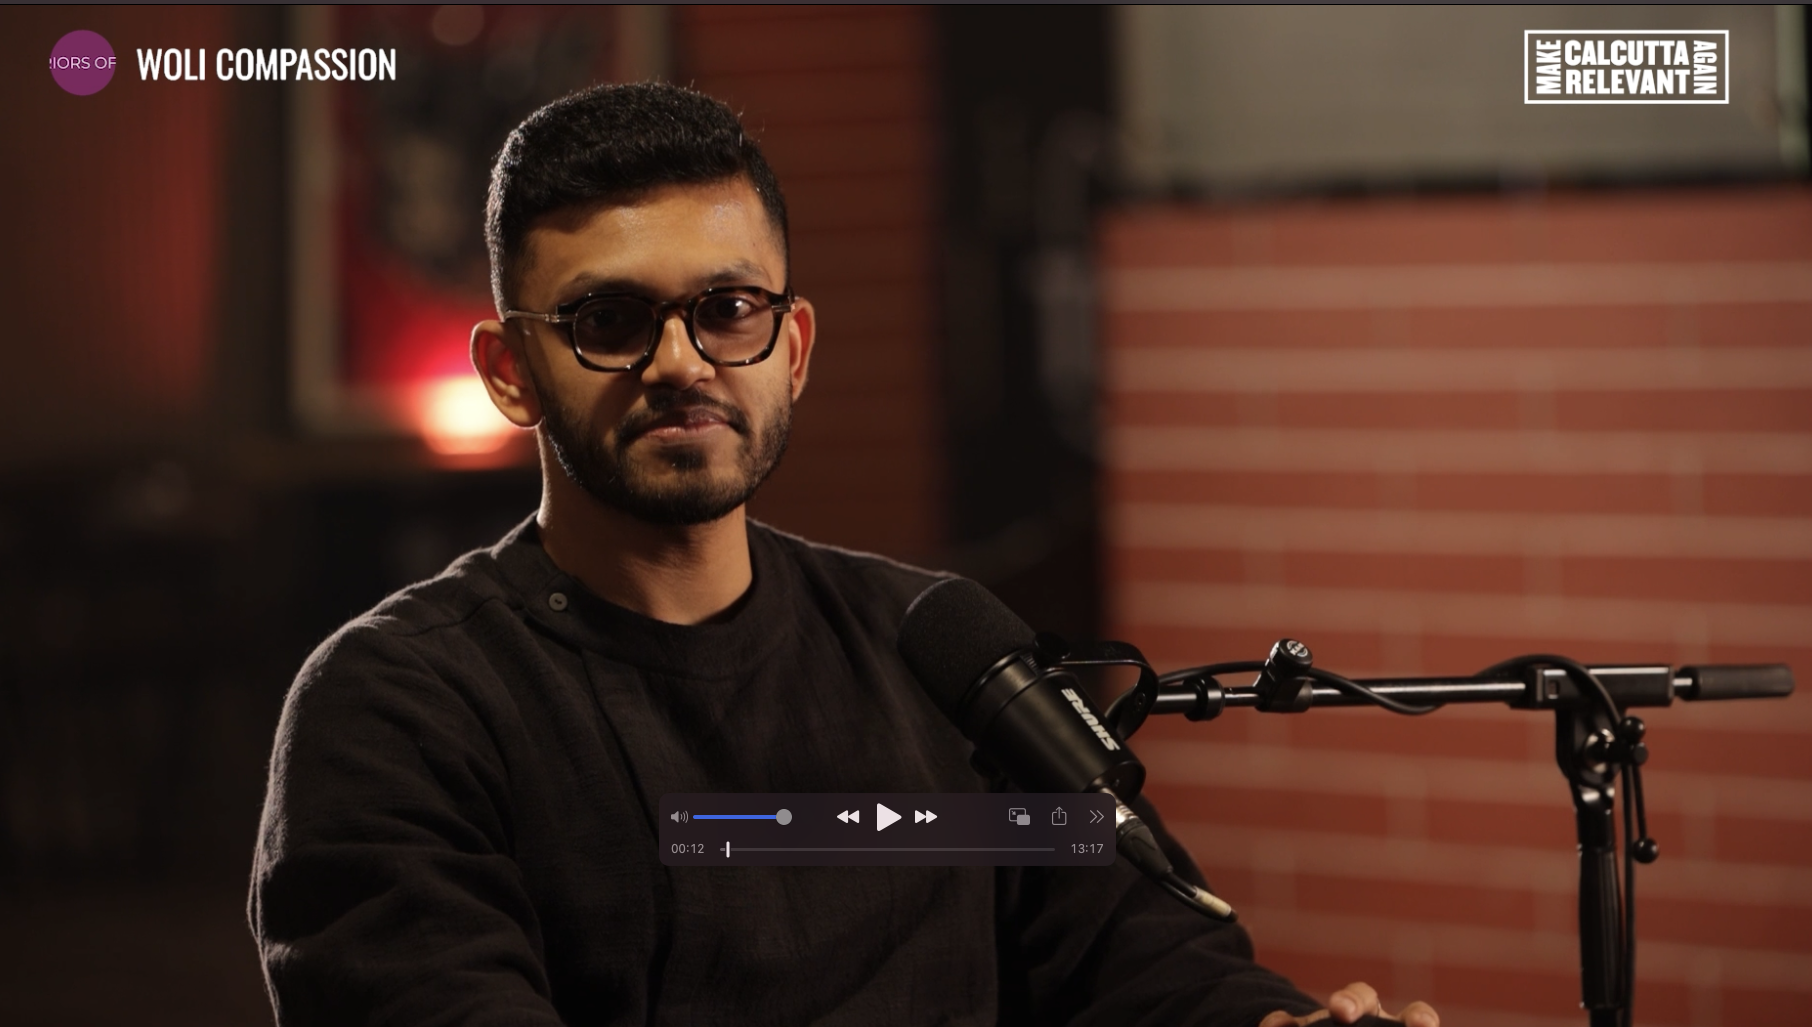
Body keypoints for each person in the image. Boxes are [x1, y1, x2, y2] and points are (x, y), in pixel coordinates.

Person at [249, 82, 1438, 1027]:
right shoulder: (402, 706)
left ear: (794, 347)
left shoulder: (939, 653)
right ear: (511, 371)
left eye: (728, 310)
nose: (681, 361)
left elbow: (1131, 950)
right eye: (609, 321)